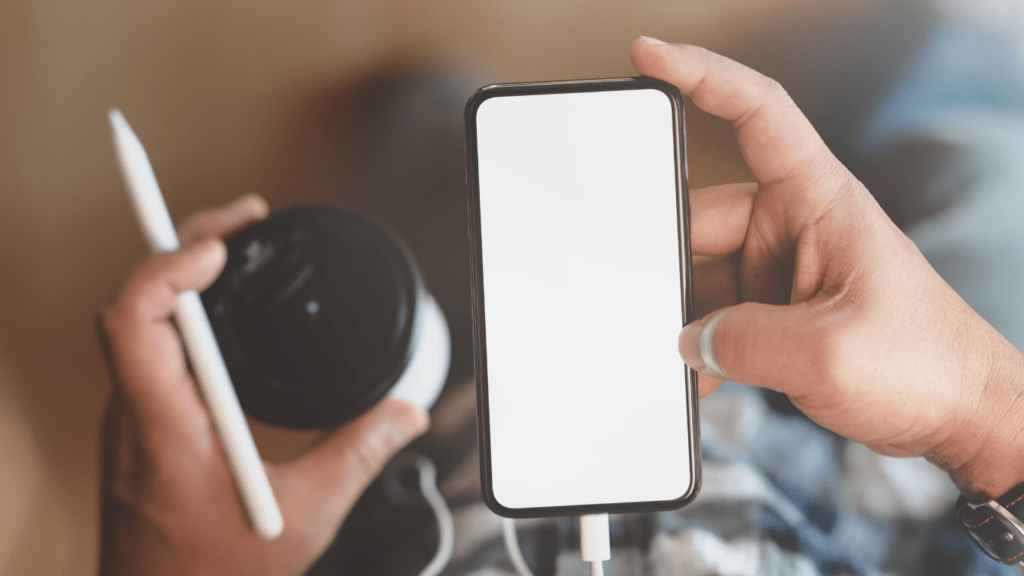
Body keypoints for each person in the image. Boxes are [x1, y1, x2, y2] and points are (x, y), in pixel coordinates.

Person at [95, 38, 1024, 575]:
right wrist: (985, 415)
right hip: (863, 472)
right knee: (991, 184)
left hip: (456, 435)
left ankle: (416, 127)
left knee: (442, 163)